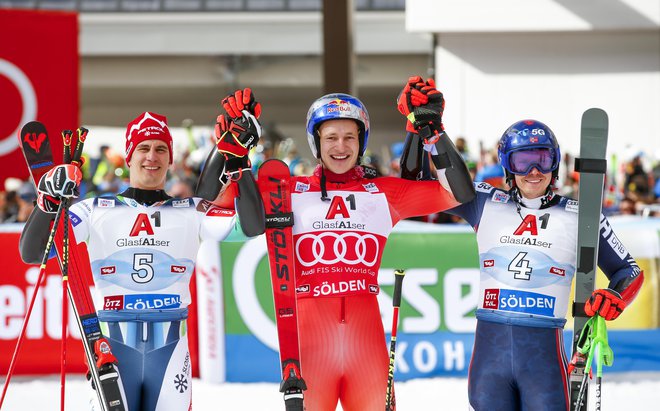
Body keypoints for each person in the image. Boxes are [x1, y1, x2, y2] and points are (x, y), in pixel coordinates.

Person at [18, 95, 265, 411]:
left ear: (170, 158)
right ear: (129, 156)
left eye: (161, 148)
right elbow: (33, 252)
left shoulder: (192, 210)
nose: (152, 156)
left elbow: (252, 226)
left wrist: (238, 162)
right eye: (143, 148)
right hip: (113, 349)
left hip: (171, 351)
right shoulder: (95, 209)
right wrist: (47, 203)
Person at [256, 79, 475, 410]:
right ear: (316, 142)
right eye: (331, 137)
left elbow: (458, 192)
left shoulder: (384, 194)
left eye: (349, 137)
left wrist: (431, 132)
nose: (340, 146)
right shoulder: (289, 192)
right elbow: (221, 200)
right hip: (311, 351)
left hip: (367, 351)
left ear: (362, 141)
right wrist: (229, 149)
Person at [400, 113, 645, 409]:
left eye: (542, 159)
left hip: (543, 363)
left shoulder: (581, 214)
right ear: (507, 165)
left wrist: (615, 297)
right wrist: (421, 130)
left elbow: (628, 271)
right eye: (522, 161)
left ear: (554, 164)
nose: (533, 171)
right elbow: (415, 188)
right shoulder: (484, 201)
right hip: (490, 362)